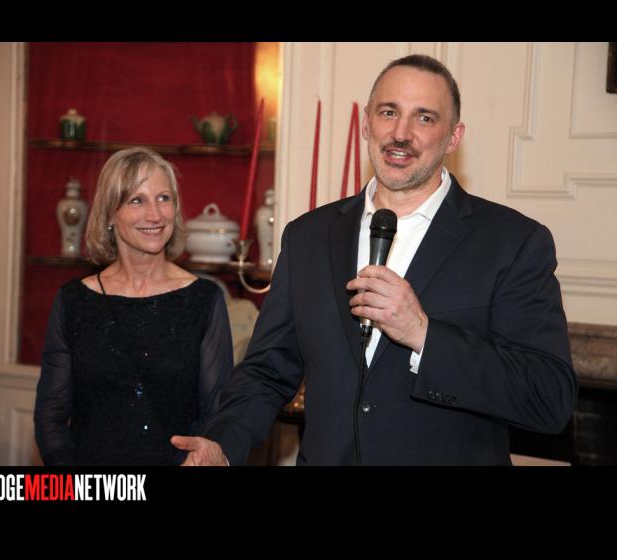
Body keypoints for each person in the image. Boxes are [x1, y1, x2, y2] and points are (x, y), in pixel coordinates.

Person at [171, 55, 577, 466]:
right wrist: (223, 444)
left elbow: (548, 398)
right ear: (367, 123)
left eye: (424, 118)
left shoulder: (512, 242)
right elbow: (266, 370)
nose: (400, 133)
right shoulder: (308, 236)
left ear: (454, 137)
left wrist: (423, 335)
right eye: (388, 112)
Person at [34, 147, 233, 465]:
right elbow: (50, 417)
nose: (155, 215)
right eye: (136, 200)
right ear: (110, 214)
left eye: (164, 198)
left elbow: (217, 414)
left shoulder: (204, 300)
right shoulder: (74, 301)